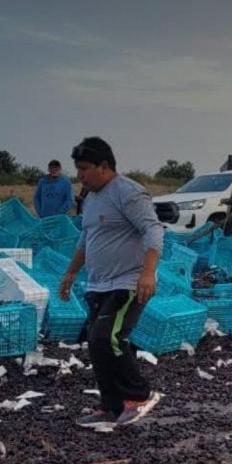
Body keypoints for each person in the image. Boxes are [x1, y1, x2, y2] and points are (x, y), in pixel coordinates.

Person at [59, 137, 163, 429]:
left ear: (104, 167)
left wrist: (147, 273)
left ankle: (140, 396)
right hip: (98, 284)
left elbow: (153, 230)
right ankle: (110, 406)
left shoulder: (128, 193)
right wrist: (70, 273)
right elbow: (85, 238)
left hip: (128, 281)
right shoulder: (90, 198)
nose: (79, 175)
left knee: (108, 337)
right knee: (96, 344)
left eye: (84, 168)